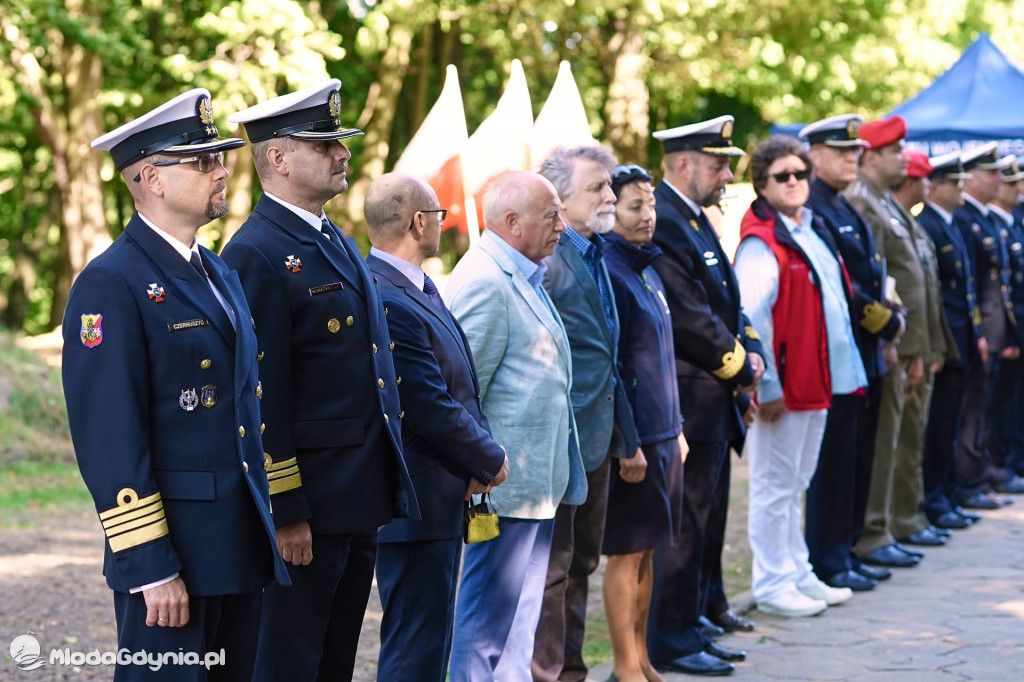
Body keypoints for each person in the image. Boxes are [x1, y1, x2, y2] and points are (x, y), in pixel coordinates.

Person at [64, 89, 290, 681]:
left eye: (219, 157)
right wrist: (149, 564)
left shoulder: (215, 270)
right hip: (175, 558)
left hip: (236, 544)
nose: (222, 170)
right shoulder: (111, 283)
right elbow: (109, 436)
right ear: (152, 179)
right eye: (202, 161)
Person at [221, 80, 418, 681]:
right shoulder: (255, 253)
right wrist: (285, 509)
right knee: (288, 658)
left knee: (333, 659)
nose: (342, 153)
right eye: (323, 143)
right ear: (276, 158)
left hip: (354, 496)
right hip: (310, 503)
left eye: (341, 141)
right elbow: (262, 397)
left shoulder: (331, 237)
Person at [363, 173, 509, 681]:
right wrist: (488, 458)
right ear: (418, 222)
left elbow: (462, 380)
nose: (442, 223)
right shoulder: (386, 294)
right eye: (439, 215)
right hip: (416, 499)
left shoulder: (415, 285)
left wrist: (477, 457)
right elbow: (426, 401)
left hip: (441, 492)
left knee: (430, 640)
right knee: (414, 644)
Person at [445, 171, 587, 681]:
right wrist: (480, 468)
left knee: (518, 626)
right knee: (484, 627)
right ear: (512, 222)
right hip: (499, 491)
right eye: (551, 216)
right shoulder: (485, 280)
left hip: (533, 488)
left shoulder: (522, 272)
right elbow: (462, 394)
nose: (561, 226)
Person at [646, 115, 765, 678]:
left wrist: (750, 347)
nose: (726, 175)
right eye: (717, 164)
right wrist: (739, 365)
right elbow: (691, 317)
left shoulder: (694, 218)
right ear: (684, 163)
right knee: (686, 523)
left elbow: (726, 301)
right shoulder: (667, 220)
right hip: (693, 394)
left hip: (713, 394)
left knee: (708, 515)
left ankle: (694, 618)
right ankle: (670, 636)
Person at [734, 135, 863, 617]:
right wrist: (764, 385)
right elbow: (750, 316)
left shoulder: (809, 228)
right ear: (761, 185)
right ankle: (771, 583)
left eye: (800, 174)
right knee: (772, 486)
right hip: (783, 385)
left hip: (817, 379)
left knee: (797, 482)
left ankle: (796, 570)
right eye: (782, 176)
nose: (794, 182)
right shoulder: (761, 241)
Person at [533, 146, 640, 682]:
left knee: (581, 565)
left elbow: (606, 358)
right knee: (553, 571)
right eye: (598, 187)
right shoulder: (546, 264)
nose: (610, 196)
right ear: (560, 197)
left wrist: (628, 438)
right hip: (556, 444)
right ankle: (547, 674)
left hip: (596, 442)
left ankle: (571, 670)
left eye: (609, 186)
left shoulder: (596, 253)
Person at [800, 114, 906, 585]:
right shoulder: (816, 208)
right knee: (835, 462)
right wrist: (887, 324)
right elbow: (843, 289)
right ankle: (829, 558)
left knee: (860, 455)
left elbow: (873, 276)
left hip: (865, 352)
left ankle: (848, 547)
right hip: (845, 349)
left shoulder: (844, 206)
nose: (852, 157)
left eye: (854, 151)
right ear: (814, 156)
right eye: (842, 151)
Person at [845, 116, 952, 566]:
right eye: (895, 151)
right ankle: (874, 531)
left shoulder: (883, 201)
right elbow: (879, 282)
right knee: (887, 441)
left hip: (909, 343)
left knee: (902, 439)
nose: (904, 159)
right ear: (871, 155)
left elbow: (914, 283)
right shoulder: (864, 201)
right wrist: (898, 343)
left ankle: (894, 522)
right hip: (891, 342)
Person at [601, 164, 686, 682]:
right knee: (626, 554)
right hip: (635, 442)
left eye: (650, 205)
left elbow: (661, 361)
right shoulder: (612, 270)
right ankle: (623, 666)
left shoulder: (645, 268)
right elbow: (614, 368)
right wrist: (627, 442)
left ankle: (642, 658)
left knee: (649, 552)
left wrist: (674, 430)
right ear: (611, 212)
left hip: (662, 434)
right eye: (635, 206)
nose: (647, 215)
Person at [888, 150, 959, 547]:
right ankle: (900, 519)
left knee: (914, 438)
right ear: (912, 181)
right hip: (907, 347)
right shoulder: (904, 220)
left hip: (923, 346)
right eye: (924, 178)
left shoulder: (909, 222)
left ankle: (908, 515)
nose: (929, 185)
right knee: (902, 441)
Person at [917, 152, 984, 530]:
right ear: (934, 186)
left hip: (961, 338)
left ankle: (947, 493)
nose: (961, 189)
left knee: (952, 422)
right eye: (954, 183)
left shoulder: (951, 224)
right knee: (939, 426)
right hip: (944, 342)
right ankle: (936, 499)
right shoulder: (927, 223)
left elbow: (967, 290)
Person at [952, 143, 1018, 509]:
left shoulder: (987, 219)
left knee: (986, 406)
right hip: (978, 333)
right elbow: (971, 287)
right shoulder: (965, 219)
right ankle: (969, 480)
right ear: (972, 179)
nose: (1000, 179)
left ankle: (979, 475)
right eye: (991, 173)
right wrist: (980, 332)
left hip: (994, 332)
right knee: (973, 410)